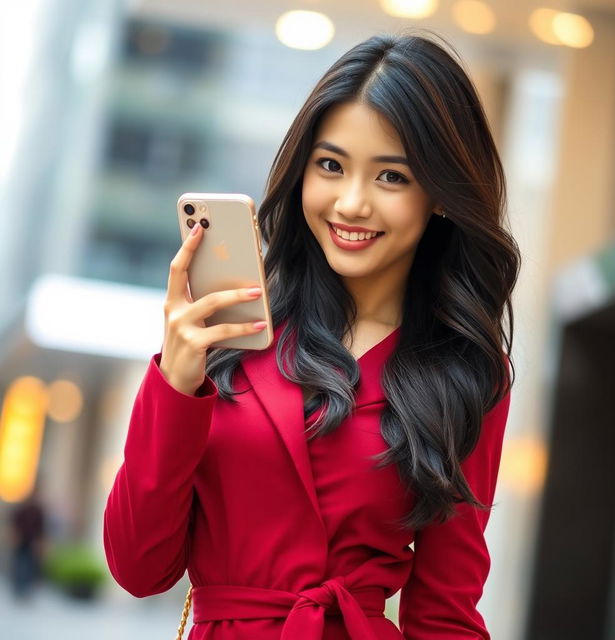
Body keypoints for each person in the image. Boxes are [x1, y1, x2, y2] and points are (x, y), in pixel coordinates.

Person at [103, 30, 520, 639]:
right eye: (331, 165)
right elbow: (139, 568)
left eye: (393, 177)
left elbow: (445, 613)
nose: (351, 203)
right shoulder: (228, 328)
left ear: (441, 196)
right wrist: (175, 382)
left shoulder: (467, 370)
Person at [9, 488, 46, 600]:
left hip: (32, 542)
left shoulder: (38, 511)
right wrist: (14, 537)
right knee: (19, 564)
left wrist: (40, 542)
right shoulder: (21, 509)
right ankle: (18, 589)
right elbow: (14, 523)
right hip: (21, 541)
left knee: (30, 566)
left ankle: (26, 590)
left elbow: (41, 528)